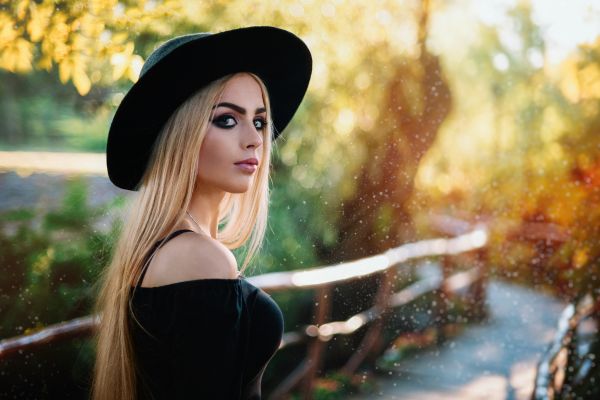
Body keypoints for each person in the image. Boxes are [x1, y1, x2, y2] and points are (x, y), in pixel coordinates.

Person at [90, 26, 312, 400]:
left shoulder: (168, 250)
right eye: (227, 119)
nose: (255, 138)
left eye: (259, 121)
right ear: (181, 133)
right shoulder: (198, 258)